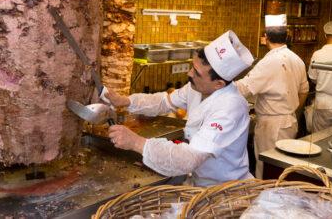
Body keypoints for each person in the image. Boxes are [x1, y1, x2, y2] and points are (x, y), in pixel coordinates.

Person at [104, 31, 254, 187]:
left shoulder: (230, 108)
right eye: (192, 67)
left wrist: (136, 142)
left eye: (196, 73)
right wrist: (126, 101)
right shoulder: (196, 88)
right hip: (199, 185)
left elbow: (189, 158)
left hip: (226, 190)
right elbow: (164, 101)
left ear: (219, 84)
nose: (189, 73)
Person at [234, 14, 309, 179]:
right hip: (289, 123)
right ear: (286, 37)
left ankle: (267, 202)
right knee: (281, 171)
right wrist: (292, 112)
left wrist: (218, 83)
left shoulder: (269, 62)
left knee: (267, 172)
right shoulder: (297, 59)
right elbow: (304, 90)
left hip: (272, 127)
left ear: (265, 38)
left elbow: (243, 88)